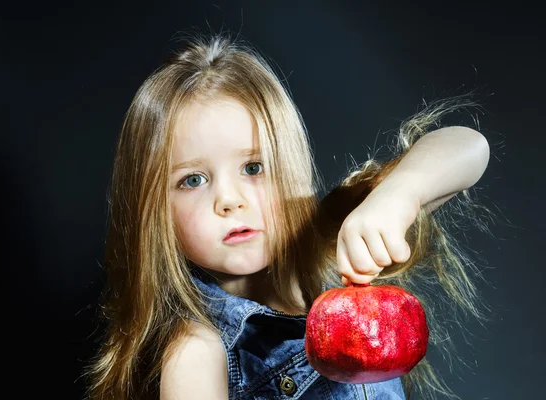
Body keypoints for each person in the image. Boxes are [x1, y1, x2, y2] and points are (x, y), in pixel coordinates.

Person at [85, 32, 495, 399]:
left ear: (289, 165)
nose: (229, 200)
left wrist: (398, 195)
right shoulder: (196, 351)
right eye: (193, 180)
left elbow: (469, 147)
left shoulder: (339, 243)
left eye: (253, 168)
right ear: (155, 211)